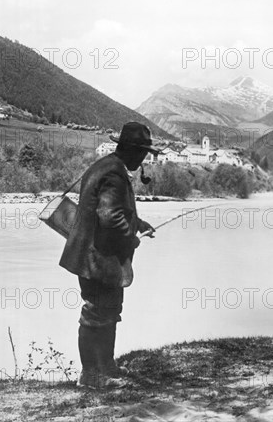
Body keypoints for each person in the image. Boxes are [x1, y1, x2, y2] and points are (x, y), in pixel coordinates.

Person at [59, 122, 160, 389]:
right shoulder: (114, 174)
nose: (143, 158)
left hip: (94, 255)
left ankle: (107, 366)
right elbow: (110, 217)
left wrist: (138, 223)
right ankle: (92, 375)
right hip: (97, 258)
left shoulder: (105, 166)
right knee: (97, 312)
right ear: (129, 149)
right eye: (142, 152)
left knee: (109, 309)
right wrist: (132, 238)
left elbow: (110, 210)